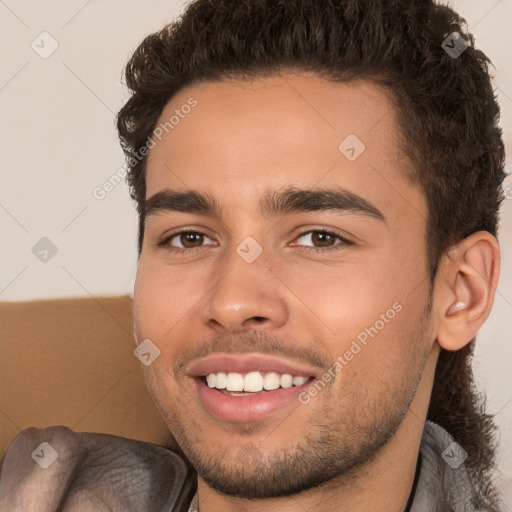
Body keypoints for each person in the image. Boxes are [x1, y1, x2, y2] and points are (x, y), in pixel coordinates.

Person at [0, 0, 506, 510]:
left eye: (319, 238)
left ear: (461, 293)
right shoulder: (38, 490)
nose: (233, 302)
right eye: (189, 238)